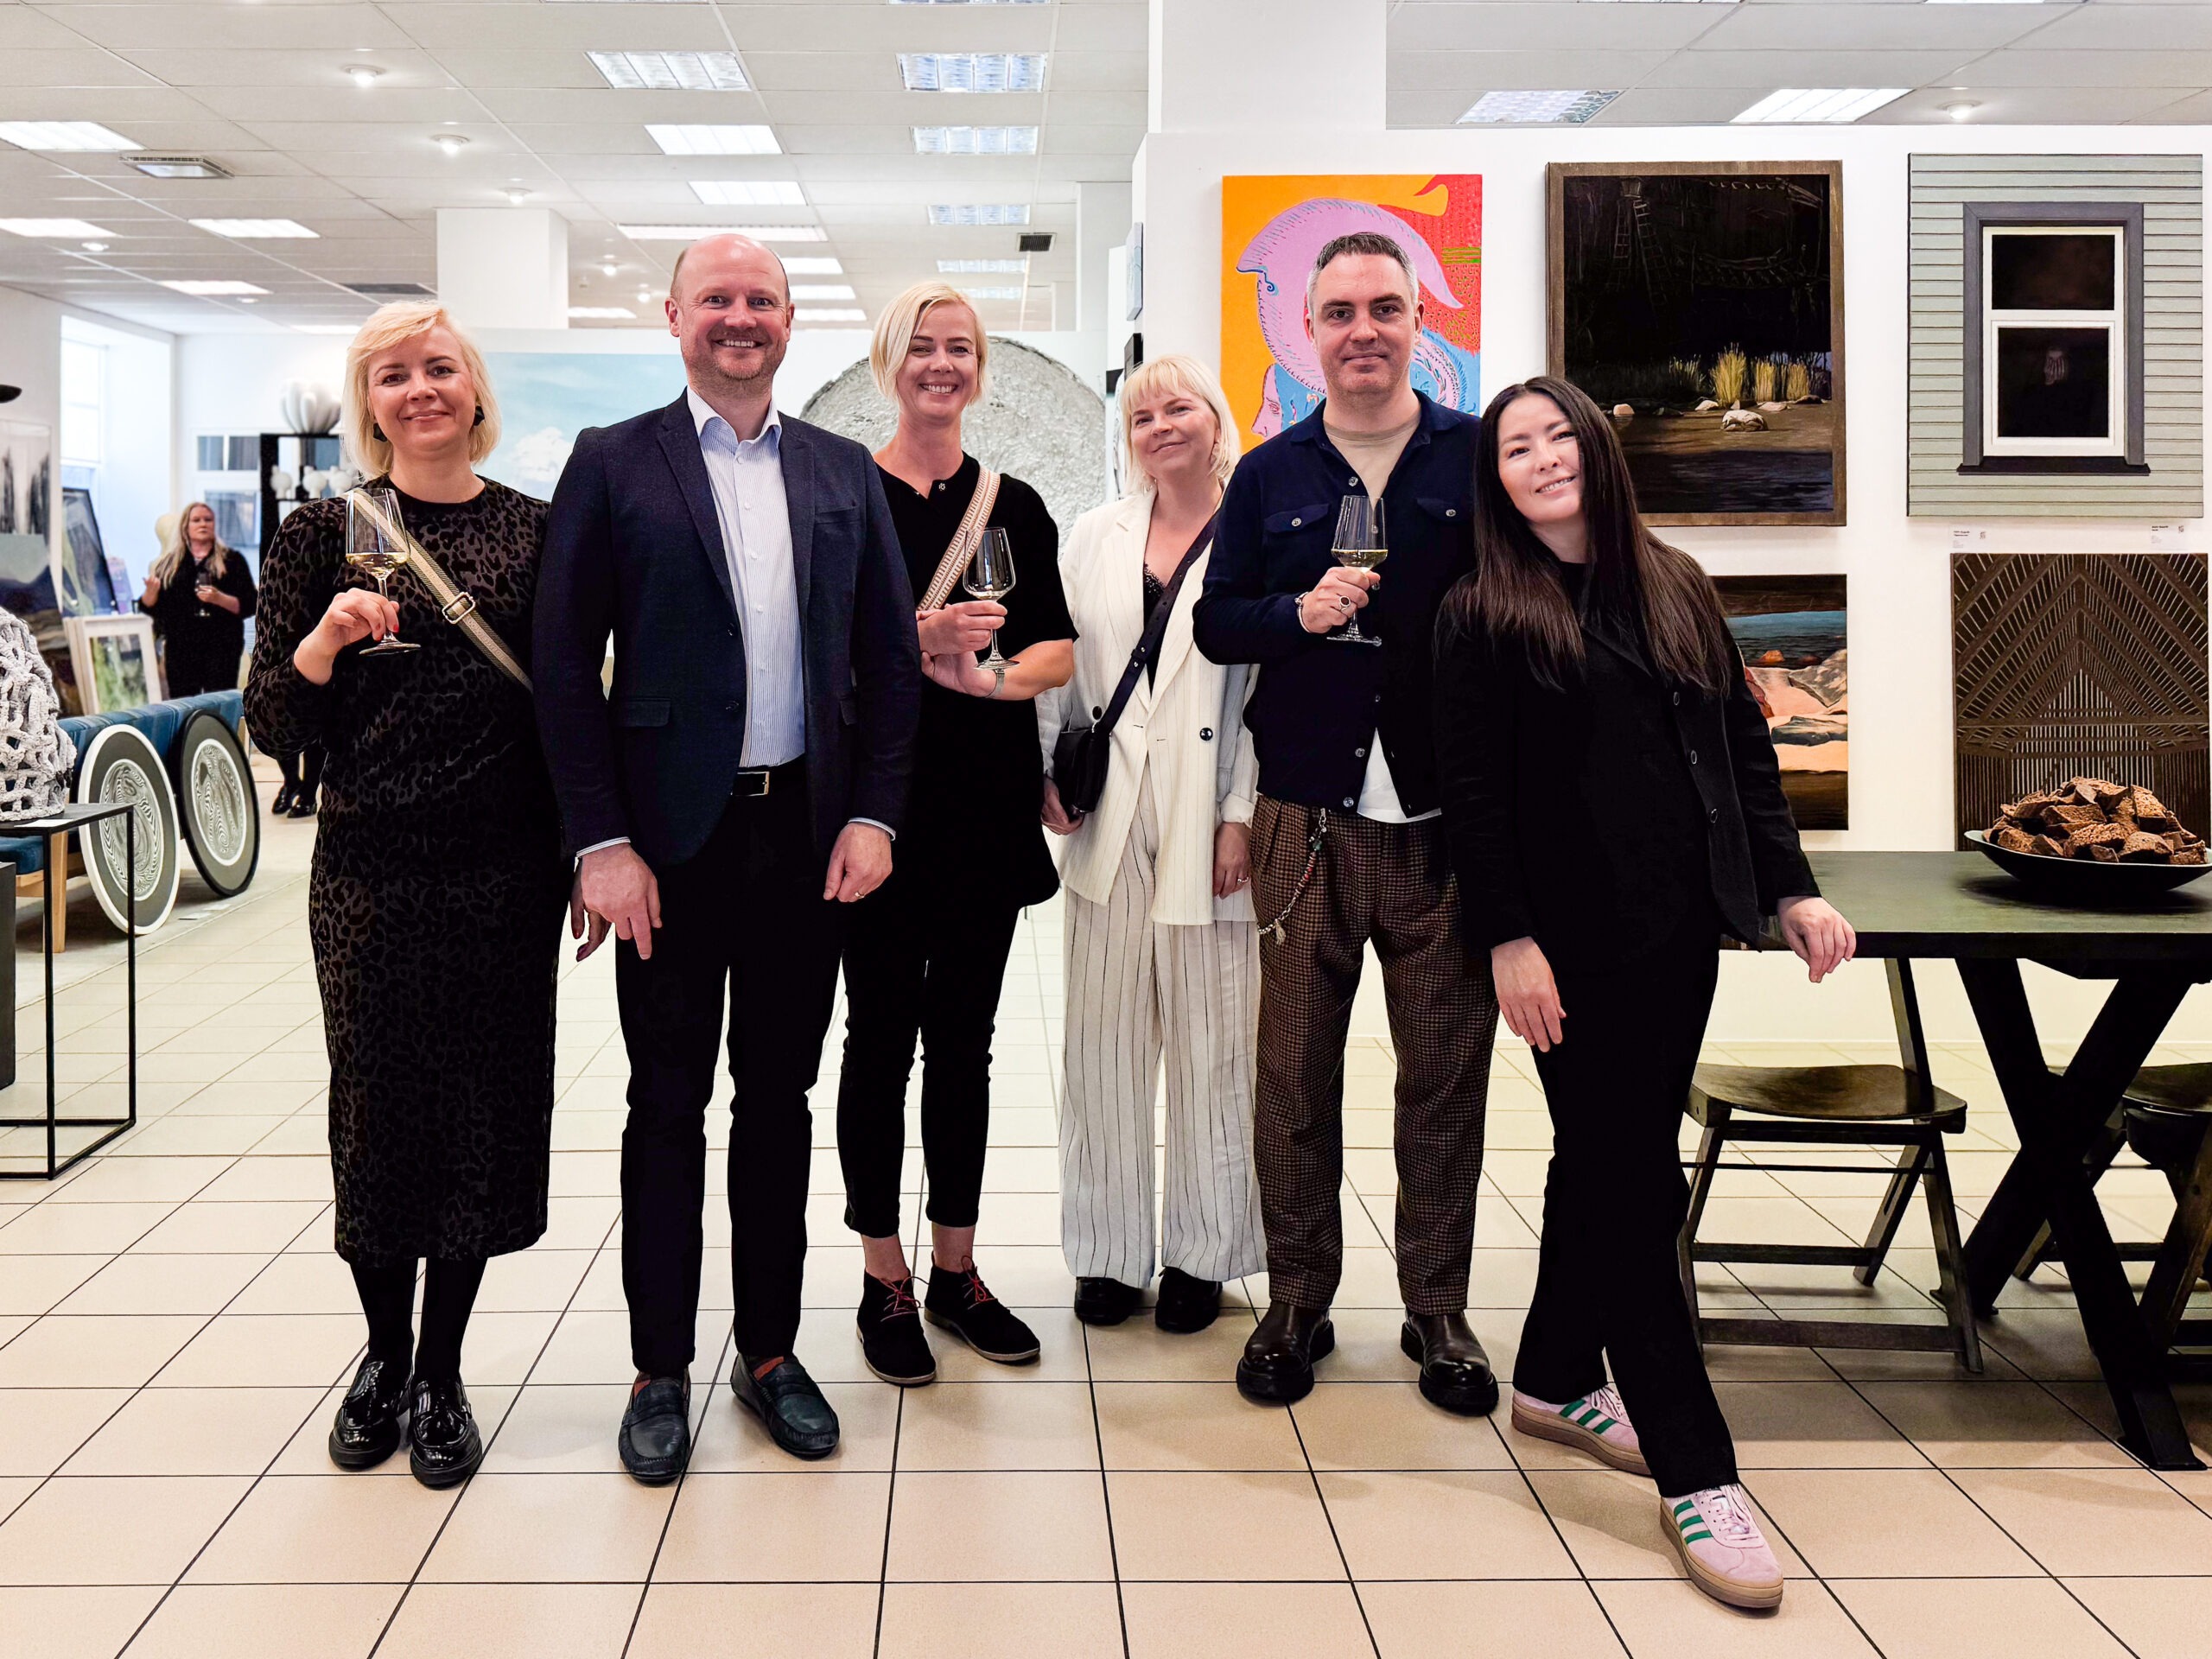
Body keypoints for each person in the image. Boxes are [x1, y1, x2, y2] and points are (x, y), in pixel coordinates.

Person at [1433, 374, 1858, 1611]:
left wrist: (1791, 891)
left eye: (1557, 434)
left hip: (1680, 934)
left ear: (1594, 447)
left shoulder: (1675, 585)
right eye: (1515, 447)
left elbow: (1741, 753)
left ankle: (1557, 1375)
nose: (1542, 457)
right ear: (1497, 480)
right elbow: (1475, 797)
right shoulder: (1483, 611)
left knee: (1609, 1159)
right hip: (1565, 950)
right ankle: (1696, 1468)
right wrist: (1508, 941)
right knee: (1634, 1185)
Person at [536, 234, 921, 1479]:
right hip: (664, 848)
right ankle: (658, 1367)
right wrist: (600, 842)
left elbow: (890, 665)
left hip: (804, 837)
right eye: (717, 299)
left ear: (790, 320)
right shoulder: (613, 463)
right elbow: (562, 668)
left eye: (761, 299)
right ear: (674, 317)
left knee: (779, 1101)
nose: (739, 317)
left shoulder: (839, 471)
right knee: (665, 1104)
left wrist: (875, 816)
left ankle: (769, 1351)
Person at [244, 302, 569, 1489]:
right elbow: (272, 722)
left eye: (440, 368)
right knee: (377, 1112)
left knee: (481, 1111)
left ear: (474, 389)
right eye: (393, 375)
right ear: (369, 402)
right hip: (370, 870)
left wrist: (592, 851)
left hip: (505, 869)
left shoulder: (537, 532)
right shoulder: (319, 534)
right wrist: (323, 644)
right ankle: (381, 1354)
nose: (420, 389)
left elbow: (568, 712)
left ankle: (442, 1371)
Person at [1192, 230, 1500, 1414]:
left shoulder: (1477, 458)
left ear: (1419, 320)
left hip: (1442, 822)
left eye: (1384, 309)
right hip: (1303, 819)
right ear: (1306, 332)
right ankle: (1297, 1300)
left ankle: (1439, 1308)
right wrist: (1296, 614)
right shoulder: (1269, 473)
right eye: (1338, 313)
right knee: (1291, 1078)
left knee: (1444, 1077)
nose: (1362, 331)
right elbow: (1217, 622)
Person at [835, 283, 1073, 1388]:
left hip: (983, 805)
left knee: (966, 1046)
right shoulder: (845, 498)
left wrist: (987, 681)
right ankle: (882, 1275)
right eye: (921, 347)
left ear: (979, 370)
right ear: (889, 364)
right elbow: (815, 652)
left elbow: (1055, 647)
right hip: (879, 812)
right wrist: (915, 636)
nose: (941, 364)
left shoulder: (1012, 504)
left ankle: (956, 1269)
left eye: (960, 349)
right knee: (879, 1039)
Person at [1039, 353, 1262, 1333]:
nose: (1161, 426)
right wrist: (1047, 771)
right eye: (1141, 416)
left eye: (1179, 408)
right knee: (1103, 1044)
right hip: (1110, 815)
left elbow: (1268, 692)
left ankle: (1203, 1255)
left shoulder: (1257, 531)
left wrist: (1240, 814)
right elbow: (1059, 665)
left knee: (1216, 1047)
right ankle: (1107, 1253)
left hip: (1209, 815)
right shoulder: (1094, 535)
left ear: (1215, 421)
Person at [141, 501, 257, 697]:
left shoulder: (232, 561)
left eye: (207, 519)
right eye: (196, 520)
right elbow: (155, 611)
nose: (203, 524)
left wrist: (220, 599)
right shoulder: (168, 565)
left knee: (219, 705)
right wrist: (149, 596)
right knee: (183, 706)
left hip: (221, 650)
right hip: (181, 653)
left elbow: (250, 604)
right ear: (185, 527)